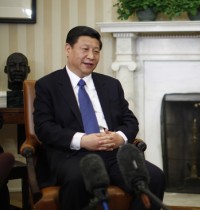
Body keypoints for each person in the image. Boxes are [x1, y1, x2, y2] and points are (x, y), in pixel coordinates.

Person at [33, 26, 165, 210]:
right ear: (68, 49)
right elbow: (44, 127)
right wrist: (83, 140)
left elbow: (130, 121)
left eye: (96, 51)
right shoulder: (48, 85)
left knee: (154, 177)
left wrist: (119, 137)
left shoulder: (111, 84)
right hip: (71, 155)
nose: (91, 56)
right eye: (85, 49)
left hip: (112, 154)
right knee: (78, 179)